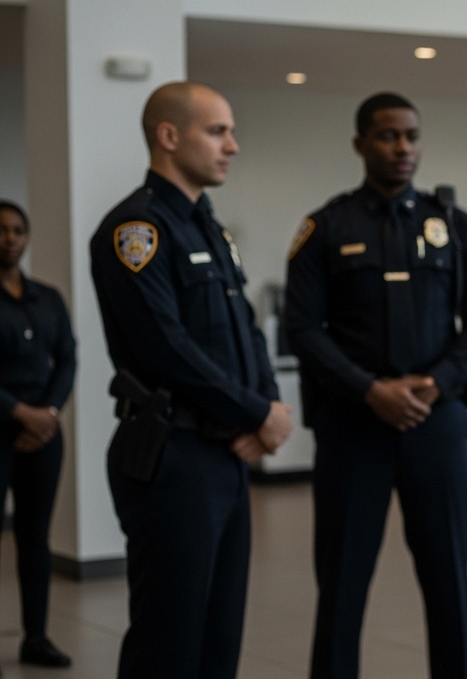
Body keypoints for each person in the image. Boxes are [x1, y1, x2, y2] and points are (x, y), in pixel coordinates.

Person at [284, 92, 467, 679]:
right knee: (342, 585)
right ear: (360, 145)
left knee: (449, 582)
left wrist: (439, 381)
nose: (402, 147)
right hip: (354, 430)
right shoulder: (326, 227)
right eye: (387, 136)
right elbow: (300, 327)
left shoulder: (452, 225)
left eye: (411, 136)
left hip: (437, 426)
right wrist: (368, 390)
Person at [91, 82, 294, 679]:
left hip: (224, 454)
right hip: (173, 457)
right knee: (170, 642)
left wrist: (268, 410)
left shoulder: (209, 227)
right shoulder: (137, 230)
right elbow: (166, 349)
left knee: (218, 638)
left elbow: (247, 333)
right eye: (218, 131)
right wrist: (257, 414)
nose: (233, 145)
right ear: (169, 136)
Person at [0, 201, 74, 669]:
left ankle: (36, 637)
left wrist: (46, 414)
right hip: (1, 428)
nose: (10, 238)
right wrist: (18, 412)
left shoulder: (47, 298)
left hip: (43, 436)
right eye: (2, 230)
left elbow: (67, 358)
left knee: (35, 538)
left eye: (17, 230)